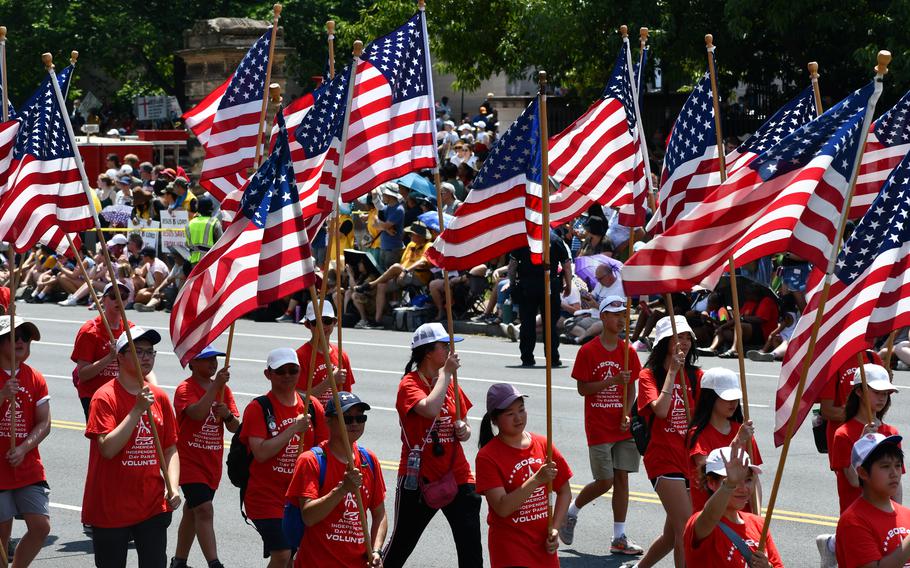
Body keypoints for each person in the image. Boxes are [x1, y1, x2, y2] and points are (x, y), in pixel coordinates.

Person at [382, 323, 482, 568]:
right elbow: (429, 408)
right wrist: (446, 374)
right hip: (420, 478)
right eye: (444, 346)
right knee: (401, 544)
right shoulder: (409, 383)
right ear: (428, 352)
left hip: (457, 474)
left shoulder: (451, 383)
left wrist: (463, 430)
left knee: (471, 549)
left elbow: (466, 429)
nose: (450, 351)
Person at [82, 327, 181, 568]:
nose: (146, 357)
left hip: (152, 505)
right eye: (139, 352)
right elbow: (107, 449)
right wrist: (136, 410)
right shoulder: (104, 397)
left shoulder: (159, 397)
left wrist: (174, 486)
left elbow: (170, 449)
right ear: (120, 356)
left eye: (150, 352)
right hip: (110, 508)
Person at [561, 295, 643, 555]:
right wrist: (613, 381)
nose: (621, 320)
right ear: (604, 317)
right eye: (616, 314)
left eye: (623, 315)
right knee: (605, 480)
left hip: (622, 426)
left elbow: (631, 387)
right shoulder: (588, 351)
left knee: (622, 479)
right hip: (598, 425)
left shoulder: (628, 351)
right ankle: (571, 511)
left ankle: (619, 537)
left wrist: (628, 412)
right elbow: (583, 389)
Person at [241, 348, 328, 567]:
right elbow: (260, 453)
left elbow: (324, 449)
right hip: (266, 498)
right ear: (268, 374)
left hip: (299, 497)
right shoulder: (258, 408)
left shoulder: (311, 406)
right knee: (282, 553)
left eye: (293, 370)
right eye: (281, 371)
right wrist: (293, 430)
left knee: (294, 556)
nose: (288, 376)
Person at [628, 316, 702, 568]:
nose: (684, 342)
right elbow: (660, 411)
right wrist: (672, 372)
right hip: (663, 458)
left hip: (690, 459)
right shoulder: (649, 375)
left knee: (672, 536)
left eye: (686, 337)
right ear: (664, 342)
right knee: (685, 530)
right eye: (677, 337)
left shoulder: (697, 376)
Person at [475, 383, 573, 568]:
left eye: (521, 410)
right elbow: (502, 508)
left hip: (543, 548)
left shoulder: (543, 443)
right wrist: (537, 479)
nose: (518, 417)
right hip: (510, 549)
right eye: (510, 413)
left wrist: (555, 527)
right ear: (494, 420)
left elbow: (565, 492)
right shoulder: (487, 456)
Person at [286, 392, 386, 568]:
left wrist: (377, 551)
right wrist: (341, 490)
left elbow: (379, 515)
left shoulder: (369, 460)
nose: (355, 423)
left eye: (360, 417)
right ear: (328, 421)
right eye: (347, 419)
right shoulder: (311, 460)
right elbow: (308, 517)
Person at [817, 364, 901, 567]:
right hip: (857, 515)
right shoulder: (843, 433)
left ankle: (831, 544)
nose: (882, 398)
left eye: (886, 393)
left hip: (884, 514)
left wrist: (898, 513)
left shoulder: (890, 432)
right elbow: (854, 481)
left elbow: (897, 482)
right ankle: (833, 545)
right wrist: (861, 445)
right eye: (877, 392)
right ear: (859, 392)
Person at [170, 346, 239, 568]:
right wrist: (215, 388)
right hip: (189, 461)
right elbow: (196, 413)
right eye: (206, 359)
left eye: (215, 359)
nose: (213, 363)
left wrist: (227, 414)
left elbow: (236, 427)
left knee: (193, 510)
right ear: (192, 362)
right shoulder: (184, 388)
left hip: (211, 462)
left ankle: (179, 561)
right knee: (204, 509)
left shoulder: (223, 391)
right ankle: (214, 563)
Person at [0, 317, 51, 568]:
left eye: (26, 337)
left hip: (27, 466)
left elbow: (44, 423)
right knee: (2, 533)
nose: (21, 341)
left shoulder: (36, 377)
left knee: (40, 526)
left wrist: (23, 448)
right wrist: (2, 396)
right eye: (15, 336)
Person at [682, 446, 782, 566]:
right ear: (711, 483)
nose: (744, 488)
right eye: (735, 481)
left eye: (748, 480)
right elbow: (711, 515)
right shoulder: (701, 524)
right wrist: (729, 484)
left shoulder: (759, 524)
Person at [687, 368, 761, 513]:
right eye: (727, 398)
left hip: (742, 516)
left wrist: (757, 516)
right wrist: (738, 442)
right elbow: (708, 471)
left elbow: (754, 479)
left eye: (735, 397)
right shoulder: (697, 434)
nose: (733, 402)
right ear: (710, 398)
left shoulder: (742, 431)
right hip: (710, 516)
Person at [834, 433, 910, 566]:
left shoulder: (906, 514)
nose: (894, 473)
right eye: (885, 467)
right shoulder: (854, 522)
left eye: (897, 465)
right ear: (863, 473)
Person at [70, 282, 135, 419]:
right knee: (103, 437)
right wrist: (110, 357)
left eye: (123, 296)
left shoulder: (130, 330)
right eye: (113, 296)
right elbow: (83, 374)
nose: (119, 300)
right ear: (103, 300)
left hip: (121, 392)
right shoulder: (90, 331)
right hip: (95, 394)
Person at [509, 232, 572, 367]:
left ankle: (527, 357)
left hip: (528, 286)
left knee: (527, 323)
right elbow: (566, 264)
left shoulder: (523, 239)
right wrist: (568, 284)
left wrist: (512, 283)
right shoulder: (555, 239)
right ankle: (552, 358)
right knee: (550, 324)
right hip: (550, 285)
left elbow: (513, 264)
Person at [295, 301, 355, 407]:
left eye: (327, 321)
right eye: (316, 322)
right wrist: (329, 381)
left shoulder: (341, 355)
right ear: (307, 324)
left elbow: (347, 395)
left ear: (334, 322)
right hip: (313, 419)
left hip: (335, 420)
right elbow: (298, 398)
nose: (322, 327)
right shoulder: (300, 356)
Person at [184, 197, 221, 265]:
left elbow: (187, 244)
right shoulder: (214, 223)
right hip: (210, 261)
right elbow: (221, 243)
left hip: (194, 262)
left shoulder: (189, 224)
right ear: (211, 209)